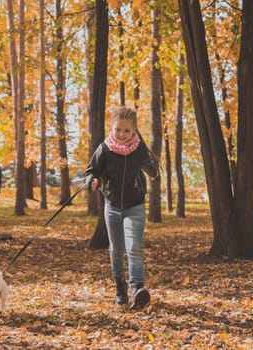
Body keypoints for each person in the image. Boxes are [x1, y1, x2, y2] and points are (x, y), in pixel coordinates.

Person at [85, 106, 159, 309]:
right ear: (112, 127)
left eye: (127, 131)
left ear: (134, 130)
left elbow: (151, 167)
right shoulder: (105, 149)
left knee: (134, 246)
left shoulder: (139, 149)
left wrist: (153, 170)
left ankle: (137, 288)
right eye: (118, 129)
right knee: (116, 250)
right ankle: (120, 287)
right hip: (112, 207)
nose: (122, 134)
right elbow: (91, 171)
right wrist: (91, 180)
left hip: (135, 206)